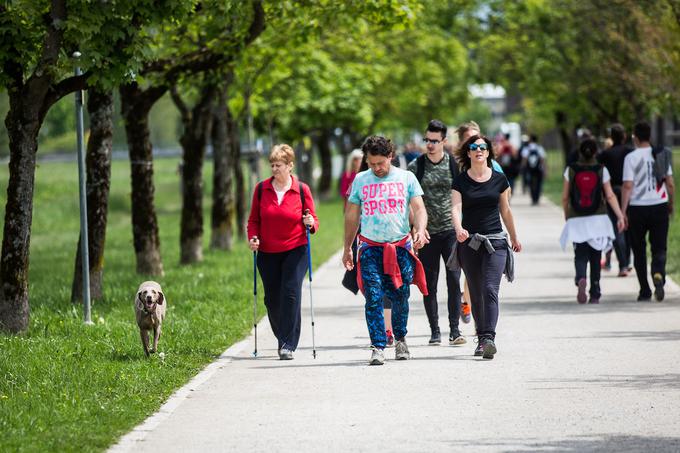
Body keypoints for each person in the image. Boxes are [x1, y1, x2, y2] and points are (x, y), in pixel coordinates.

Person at [343, 135, 429, 365]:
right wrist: (347, 248)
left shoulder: (406, 178)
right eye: (371, 164)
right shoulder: (361, 180)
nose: (376, 168)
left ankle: (400, 339)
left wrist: (419, 230)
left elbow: (419, 209)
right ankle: (378, 345)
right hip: (370, 247)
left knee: (400, 296)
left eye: (380, 163)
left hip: (400, 247)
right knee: (372, 296)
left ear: (390, 156)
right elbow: (351, 215)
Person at [449, 134, 522, 360]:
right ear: (468, 152)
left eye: (483, 147)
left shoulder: (499, 179)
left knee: (490, 288)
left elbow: (506, 210)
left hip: (496, 242)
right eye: (474, 147)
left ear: (488, 152)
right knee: (477, 291)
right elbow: (455, 207)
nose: (479, 150)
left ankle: (489, 337)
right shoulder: (460, 180)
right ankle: (481, 340)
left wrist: (514, 237)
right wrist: (459, 228)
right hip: (469, 243)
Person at [247, 144, 319, 360]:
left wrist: (310, 222)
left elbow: (313, 220)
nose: (274, 169)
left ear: (290, 166)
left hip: (296, 249)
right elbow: (254, 220)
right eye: (272, 165)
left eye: (278, 165)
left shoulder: (302, 190)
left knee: (290, 292)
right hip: (268, 252)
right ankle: (283, 334)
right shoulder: (261, 190)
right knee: (272, 299)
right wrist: (253, 238)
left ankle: (287, 343)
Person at [408, 119, 465, 346]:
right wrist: (415, 228)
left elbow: (463, 196)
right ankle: (434, 330)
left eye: (434, 141)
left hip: (451, 231)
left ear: (444, 141)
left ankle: (455, 329)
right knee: (429, 283)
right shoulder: (416, 167)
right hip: (427, 234)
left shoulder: (454, 165)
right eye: (427, 140)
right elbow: (410, 203)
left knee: (453, 279)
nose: (429, 145)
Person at [560, 138, 626, 304]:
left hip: (577, 218)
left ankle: (581, 277)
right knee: (596, 255)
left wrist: (567, 214)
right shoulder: (601, 169)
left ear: (580, 153)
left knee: (580, 254)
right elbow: (610, 195)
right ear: (596, 152)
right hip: (599, 218)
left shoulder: (571, 169)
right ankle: (595, 291)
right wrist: (620, 215)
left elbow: (565, 196)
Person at [622, 122, 674, 302]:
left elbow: (627, 186)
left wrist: (623, 212)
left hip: (637, 208)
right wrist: (671, 203)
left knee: (639, 249)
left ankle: (644, 289)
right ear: (650, 136)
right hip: (659, 205)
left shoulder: (631, 157)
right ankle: (658, 273)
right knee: (659, 246)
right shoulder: (662, 154)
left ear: (635, 136)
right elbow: (670, 183)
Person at [598, 123, 633, 276]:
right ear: (624, 136)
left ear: (611, 137)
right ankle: (628, 260)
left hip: (611, 192)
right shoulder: (631, 153)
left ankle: (623, 265)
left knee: (617, 227)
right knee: (628, 228)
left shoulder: (605, 154)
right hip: (630, 192)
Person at [522, 134, 546, 205]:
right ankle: (537, 198)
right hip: (538, 169)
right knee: (539, 183)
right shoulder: (539, 148)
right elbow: (542, 160)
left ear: (531, 140)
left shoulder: (527, 148)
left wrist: (524, 168)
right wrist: (544, 169)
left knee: (530, 184)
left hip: (530, 169)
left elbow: (525, 160)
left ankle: (533, 198)